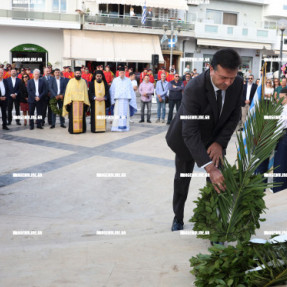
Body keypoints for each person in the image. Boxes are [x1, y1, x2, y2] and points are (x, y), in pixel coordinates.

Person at [166, 48, 243, 231]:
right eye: (224, 77)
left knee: (219, 181)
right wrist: (209, 167)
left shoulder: (237, 84)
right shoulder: (194, 87)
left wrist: (219, 143)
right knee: (182, 180)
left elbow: (234, 116)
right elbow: (190, 131)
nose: (228, 83)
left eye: (232, 78)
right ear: (211, 68)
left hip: (214, 139)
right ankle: (178, 216)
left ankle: (215, 227)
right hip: (187, 140)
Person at [62, 67, 90, 134]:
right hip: (73, 103)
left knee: (81, 117)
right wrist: (68, 101)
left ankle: (82, 129)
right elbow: (68, 92)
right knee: (72, 117)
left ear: (81, 74)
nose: (78, 74)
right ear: (74, 74)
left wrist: (85, 101)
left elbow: (85, 92)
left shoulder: (83, 81)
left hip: (81, 103)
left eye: (79, 73)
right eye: (77, 73)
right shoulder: (71, 81)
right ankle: (72, 130)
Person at [109, 67, 137, 131]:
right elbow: (112, 90)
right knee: (117, 113)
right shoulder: (115, 80)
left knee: (125, 113)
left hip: (126, 100)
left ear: (124, 73)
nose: (121, 73)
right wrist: (112, 101)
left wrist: (131, 100)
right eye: (120, 72)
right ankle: (116, 127)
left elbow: (131, 91)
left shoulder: (128, 80)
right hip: (118, 100)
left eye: (123, 72)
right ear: (118, 73)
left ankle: (125, 127)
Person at [273, 87, 287, 193]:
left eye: (282, 98)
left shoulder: (285, 109)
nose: (279, 100)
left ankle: (279, 190)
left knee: (280, 166)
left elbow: (280, 126)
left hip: (283, 139)